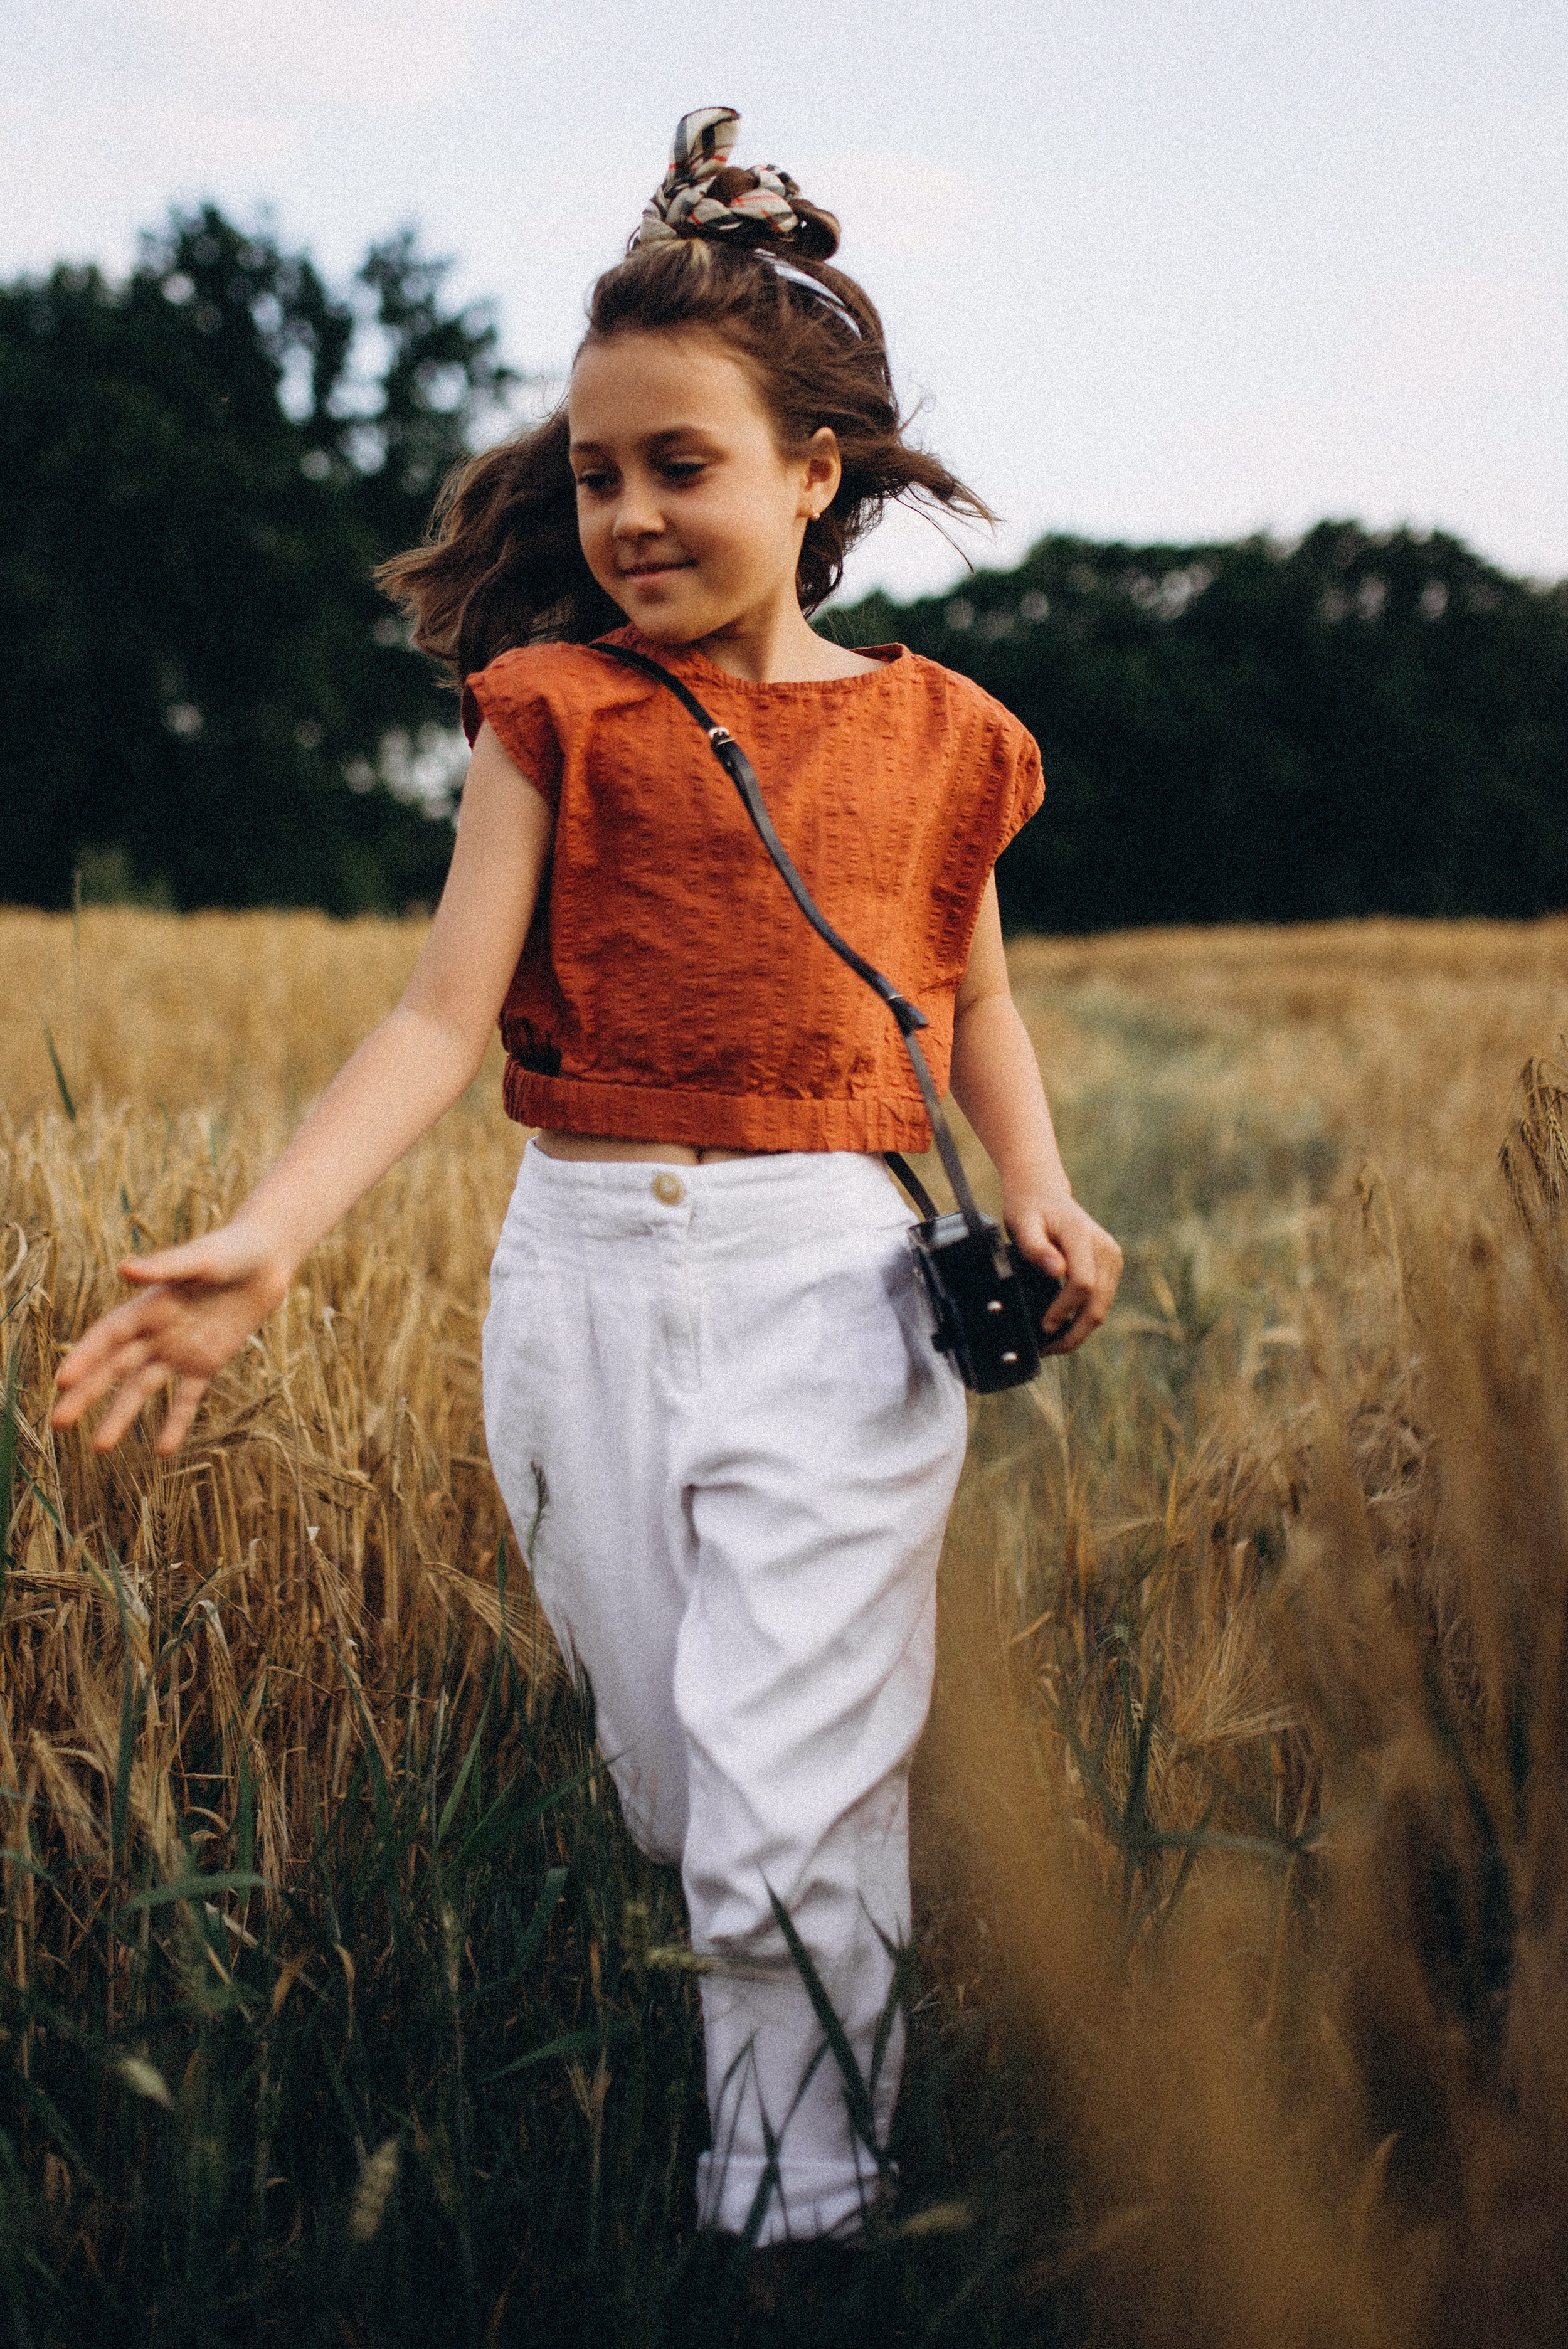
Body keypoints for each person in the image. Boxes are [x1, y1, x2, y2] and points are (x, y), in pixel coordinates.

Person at [51, 108, 1122, 2247]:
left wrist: (1041, 1182)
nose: (627, 510)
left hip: (831, 1283)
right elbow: (441, 1017)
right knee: (673, 1779)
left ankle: (796, 2223)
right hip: (580, 1288)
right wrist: (269, 1233)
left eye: (680, 466)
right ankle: (793, 2133)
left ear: (814, 474)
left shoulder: (948, 738)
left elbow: (972, 1002)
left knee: (778, 1798)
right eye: (598, 471)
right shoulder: (546, 708)